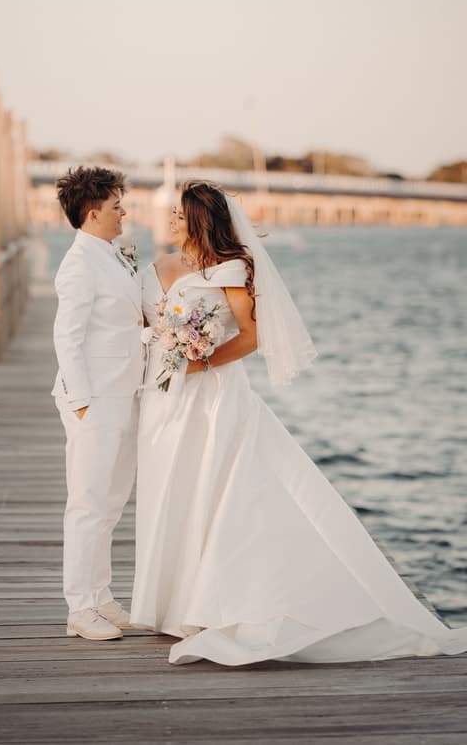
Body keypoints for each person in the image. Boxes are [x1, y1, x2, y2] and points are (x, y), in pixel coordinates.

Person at [130, 179, 467, 665]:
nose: (171, 222)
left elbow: (248, 337)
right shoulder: (160, 266)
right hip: (164, 399)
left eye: (180, 216)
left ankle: (206, 603)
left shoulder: (229, 269)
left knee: (211, 487)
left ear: (201, 222)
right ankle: (168, 603)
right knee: (170, 487)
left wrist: (199, 360)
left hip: (212, 396)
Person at [53, 166, 144, 641]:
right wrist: (83, 403)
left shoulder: (111, 253)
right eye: (116, 206)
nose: (123, 211)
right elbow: (66, 338)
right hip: (95, 399)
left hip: (124, 393)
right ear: (93, 213)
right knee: (87, 503)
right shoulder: (79, 264)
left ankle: (102, 595)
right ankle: (79, 607)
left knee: (110, 503)